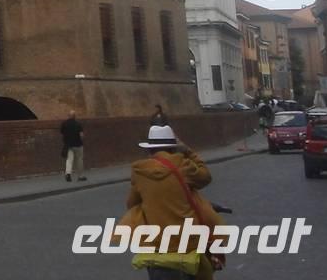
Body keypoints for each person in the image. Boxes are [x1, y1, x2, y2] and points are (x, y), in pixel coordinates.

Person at [113, 124, 224, 280]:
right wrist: (187, 150)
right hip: (188, 245)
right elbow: (205, 176)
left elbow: (131, 204)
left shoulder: (140, 171)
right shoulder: (183, 165)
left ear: (150, 149)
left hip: (159, 246)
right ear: (173, 149)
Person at [60, 109, 87, 182]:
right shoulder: (78, 124)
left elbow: (62, 133)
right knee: (79, 160)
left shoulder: (64, 124)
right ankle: (80, 176)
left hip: (68, 145)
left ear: (68, 116)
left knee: (69, 160)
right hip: (78, 144)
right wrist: (81, 139)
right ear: (75, 116)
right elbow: (81, 135)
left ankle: (68, 174)